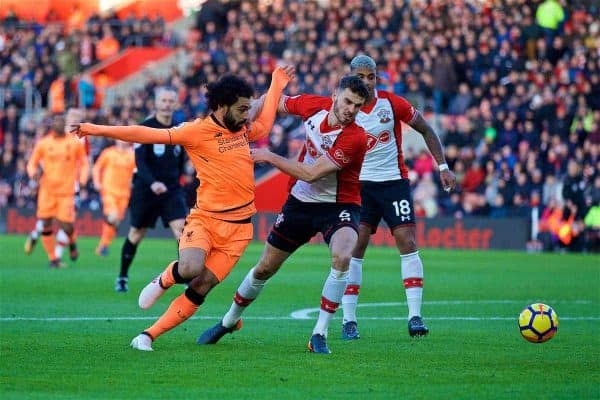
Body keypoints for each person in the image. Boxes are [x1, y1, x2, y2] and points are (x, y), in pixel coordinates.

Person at [72, 66, 294, 351]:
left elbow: (265, 121)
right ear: (222, 106)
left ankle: (147, 335)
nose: (245, 115)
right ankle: (166, 278)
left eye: (247, 109)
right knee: (190, 269)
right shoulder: (196, 131)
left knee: (201, 286)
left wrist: (276, 81)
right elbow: (144, 133)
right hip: (206, 220)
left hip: (239, 231)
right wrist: (95, 129)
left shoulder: (242, 130)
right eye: (241, 109)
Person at [197, 75, 370, 354]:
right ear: (335, 94)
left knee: (343, 256)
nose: (351, 109)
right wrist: (245, 118)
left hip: (340, 205)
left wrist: (269, 155)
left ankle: (319, 334)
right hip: (300, 203)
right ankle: (229, 320)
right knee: (265, 267)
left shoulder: (356, 138)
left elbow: (312, 174)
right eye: (348, 101)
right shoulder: (313, 105)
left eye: (358, 106)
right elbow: (272, 102)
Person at [340, 55, 457, 340]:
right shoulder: (343, 108)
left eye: (372, 77)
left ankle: (415, 316)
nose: (368, 82)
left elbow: (427, 129)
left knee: (408, 241)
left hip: (394, 183)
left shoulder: (392, 104)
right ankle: (348, 320)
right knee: (356, 247)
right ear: (352, 77)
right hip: (360, 187)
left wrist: (443, 165)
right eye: (362, 77)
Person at [116, 87, 187, 293]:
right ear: (156, 103)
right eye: (163, 101)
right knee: (137, 233)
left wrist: (178, 179)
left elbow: (181, 160)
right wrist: (152, 182)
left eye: (170, 101)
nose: (166, 104)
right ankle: (122, 276)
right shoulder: (144, 128)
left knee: (181, 230)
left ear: (175, 104)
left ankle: (185, 275)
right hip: (146, 189)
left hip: (171, 189)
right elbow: (140, 162)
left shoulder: (179, 129)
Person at [26, 112, 89, 268]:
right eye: (57, 123)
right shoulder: (43, 143)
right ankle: (53, 258)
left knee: (66, 225)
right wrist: (33, 174)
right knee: (46, 222)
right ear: (52, 125)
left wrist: (82, 180)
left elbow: (85, 163)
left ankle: (72, 242)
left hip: (66, 192)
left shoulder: (74, 143)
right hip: (47, 191)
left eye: (62, 123)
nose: (59, 125)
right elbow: (32, 163)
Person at [92, 140, 136, 256]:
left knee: (116, 222)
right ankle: (103, 246)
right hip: (109, 190)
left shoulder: (132, 155)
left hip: (124, 193)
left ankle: (103, 246)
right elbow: (97, 167)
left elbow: (135, 173)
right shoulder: (108, 153)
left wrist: (134, 181)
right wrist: (96, 182)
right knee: (113, 216)